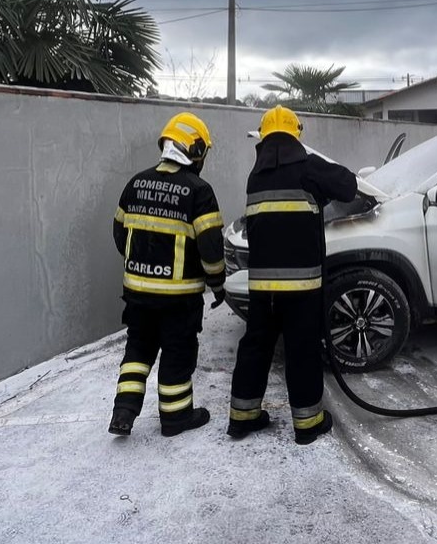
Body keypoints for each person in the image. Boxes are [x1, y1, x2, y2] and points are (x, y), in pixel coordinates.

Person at [227, 105, 357, 445]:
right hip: (301, 286)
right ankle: (308, 424)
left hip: (262, 287)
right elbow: (348, 186)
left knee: (256, 346)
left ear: (264, 138)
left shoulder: (255, 176)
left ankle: (242, 418)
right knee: (301, 350)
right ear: (295, 136)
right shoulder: (308, 168)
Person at [108, 112, 227, 438]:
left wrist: (142, 265)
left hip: (137, 294)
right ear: (195, 150)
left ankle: (123, 412)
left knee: (137, 351)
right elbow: (211, 249)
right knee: (177, 353)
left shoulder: (136, 183)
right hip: (179, 299)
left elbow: (119, 234)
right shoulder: (199, 191)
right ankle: (176, 418)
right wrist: (218, 285)